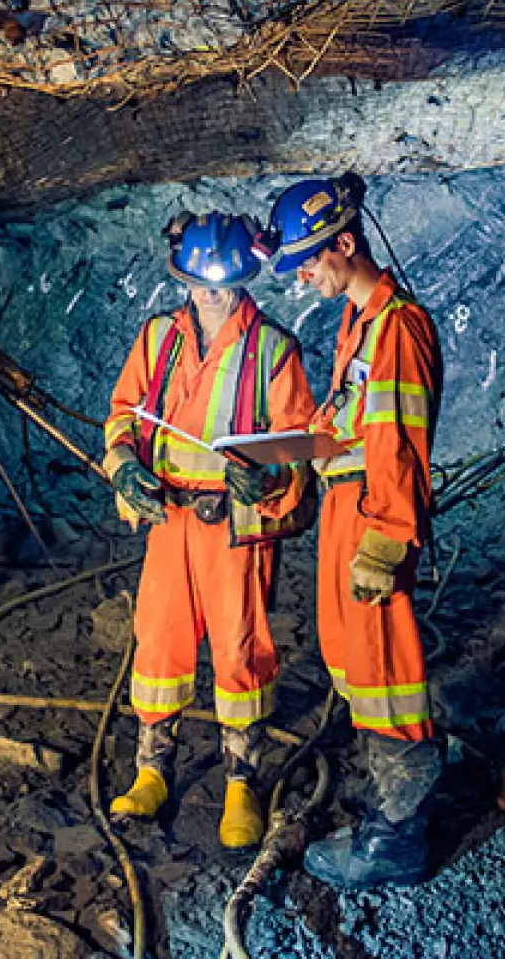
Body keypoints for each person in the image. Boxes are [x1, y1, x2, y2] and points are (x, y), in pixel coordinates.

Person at [102, 211, 316, 849]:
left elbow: (298, 443)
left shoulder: (274, 349)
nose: (207, 293)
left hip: (233, 526)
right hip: (169, 517)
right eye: (196, 281)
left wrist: (270, 480)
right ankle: (152, 772)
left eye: (218, 283)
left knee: (239, 647)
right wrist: (124, 468)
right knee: (159, 642)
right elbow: (122, 413)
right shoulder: (158, 338)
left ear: (244, 279)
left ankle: (241, 784)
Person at [268, 173, 445, 888]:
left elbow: (398, 438)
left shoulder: (398, 326)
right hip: (349, 509)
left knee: (387, 675)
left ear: (346, 242)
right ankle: (385, 806)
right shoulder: (358, 325)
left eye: (308, 258)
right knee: (357, 666)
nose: (302, 274)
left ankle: (397, 841)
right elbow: (344, 421)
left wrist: (389, 535)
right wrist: (284, 458)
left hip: (375, 513)